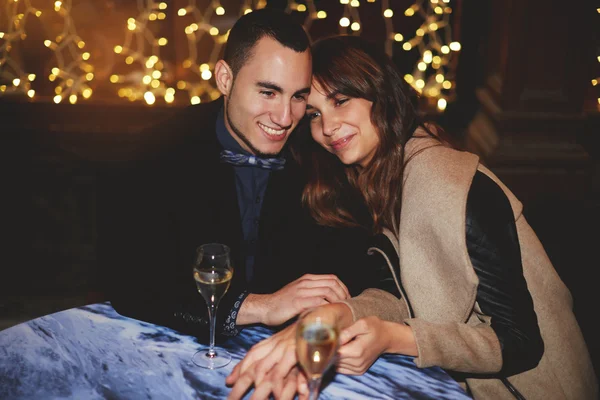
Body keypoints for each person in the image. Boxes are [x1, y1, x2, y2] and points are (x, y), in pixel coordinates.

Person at [226, 35, 598, 400]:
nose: (327, 127)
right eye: (314, 114)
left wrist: (397, 338)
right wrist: (337, 315)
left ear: (380, 93)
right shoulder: (387, 170)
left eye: (341, 101)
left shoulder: (440, 180)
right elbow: (405, 293)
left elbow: (520, 343)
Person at [97, 11, 376, 342]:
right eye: (268, 92)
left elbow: (361, 267)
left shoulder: (321, 152)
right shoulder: (155, 152)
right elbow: (130, 284)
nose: (285, 117)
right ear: (225, 79)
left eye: (298, 96)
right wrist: (260, 306)